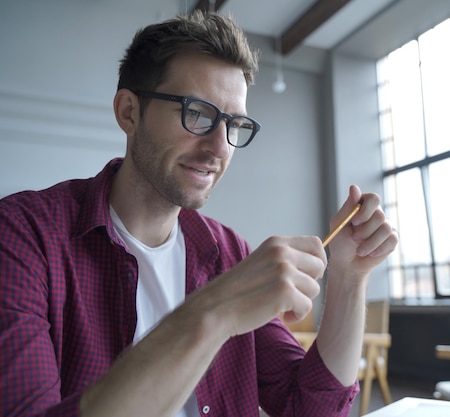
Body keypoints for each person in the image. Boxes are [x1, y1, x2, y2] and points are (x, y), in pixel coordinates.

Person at [0, 10, 398, 417]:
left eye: (234, 124)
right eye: (198, 114)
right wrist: (214, 311)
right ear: (129, 113)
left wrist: (350, 276)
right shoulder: (22, 235)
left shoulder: (228, 253)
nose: (220, 148)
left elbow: (308, 408)